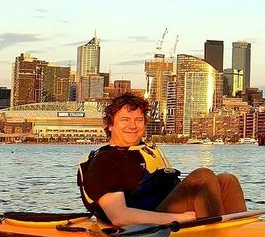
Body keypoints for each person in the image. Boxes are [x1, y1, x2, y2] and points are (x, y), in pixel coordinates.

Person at [77, 92, 247, 227]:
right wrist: (179, 219)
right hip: (144, 227)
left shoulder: (145, 151)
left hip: (163, 210)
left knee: (227, 180)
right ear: (110, 125)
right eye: (125, 120)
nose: (133, 126)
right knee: (203, 176)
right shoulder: (105, 162)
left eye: (139, 120)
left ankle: (244, 230)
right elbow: (119, 216)